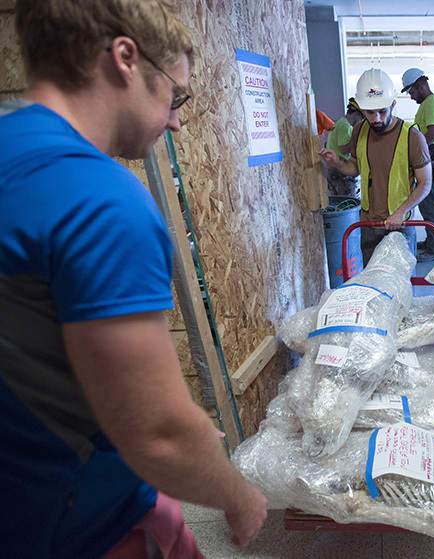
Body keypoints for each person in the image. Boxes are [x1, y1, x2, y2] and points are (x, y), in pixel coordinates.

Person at [0, 1, 268, 557]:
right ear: (125, 58)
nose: (174, 119)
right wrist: (240, 498)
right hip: (77, 527)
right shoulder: (101, 201)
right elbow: (161, 435)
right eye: (176, 96)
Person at [318, 68, 432, 265]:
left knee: (401, 288)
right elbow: (355, 167)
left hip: (400, 226)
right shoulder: (359, 131)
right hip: (369, 226)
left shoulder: (412, 137)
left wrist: (400, 212)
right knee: (372, 285)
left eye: (382, 111)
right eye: (370, 112)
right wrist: (338, 163)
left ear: (393, 105)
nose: (376, 118)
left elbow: (425, 182)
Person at [401, 67, 434, 262]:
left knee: (430, 207)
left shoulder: (431, 102)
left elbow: (432, 134)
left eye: (411, 92)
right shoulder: (426, 104)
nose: (411, 97)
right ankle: (430, 242)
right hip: (428, 157)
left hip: (430, 158)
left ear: (420, 87)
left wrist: (415, 151)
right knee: (426, 206)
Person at [325, 97, 364, 197]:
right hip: (341, 169)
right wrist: (358, 140)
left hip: (333, 168)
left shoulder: (339, 123)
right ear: (356, 114)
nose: (360, 121)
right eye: (361, 118)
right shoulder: (345, 126)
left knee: (340, 203)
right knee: (348, 204)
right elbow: (344, 149)